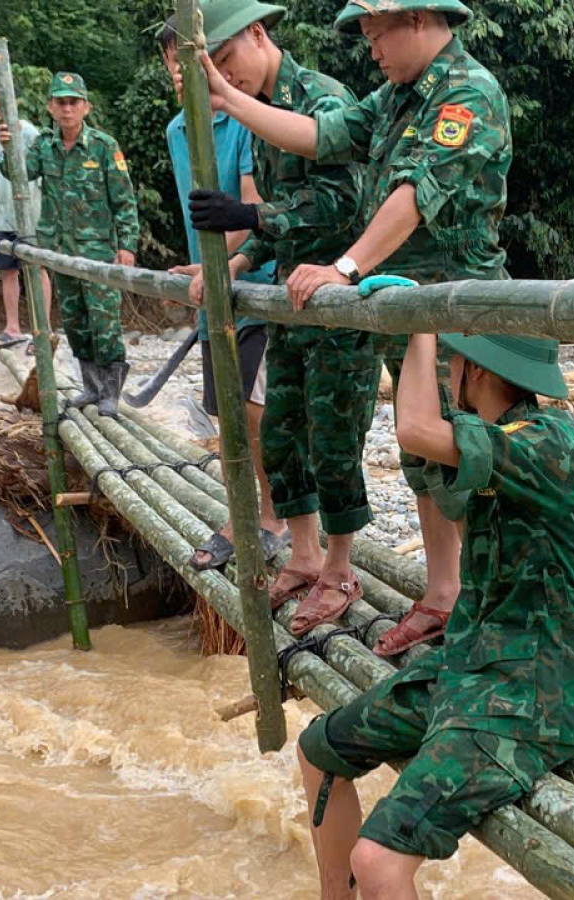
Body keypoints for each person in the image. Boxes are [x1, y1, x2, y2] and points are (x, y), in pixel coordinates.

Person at [198, 0, 511, 655]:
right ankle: (444, 595)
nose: (371, 50)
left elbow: (416, 196)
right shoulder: (394, 98)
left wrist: (345, 264)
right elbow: (320, 136)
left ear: (419, 21)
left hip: (463, 313)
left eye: (377, 35)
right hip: (408, 307)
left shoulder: (465, 94)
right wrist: (227, 97)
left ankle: (489, 609)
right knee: (424, 455)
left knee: (472, 457)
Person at [296, 331, 574, 899]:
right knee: (319, 750)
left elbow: (415, 428)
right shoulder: (500, 442)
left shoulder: (551, 445)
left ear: (481, 372)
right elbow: (424, 446)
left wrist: (418, 329)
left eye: (456, 361)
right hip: (470, 669)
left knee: (378, 859)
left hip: (533, 697)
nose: (449, 372)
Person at [180, 0, 375, 632]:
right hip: (292, 301)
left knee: (335, 435)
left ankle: (341, 569)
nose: (227, 77)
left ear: (259, 35)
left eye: (228, 59)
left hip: (339, 300)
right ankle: (303, 552)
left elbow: (343, 204)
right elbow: (281, 218)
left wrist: (253, 218)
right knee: (286, 429)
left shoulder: (319, 98)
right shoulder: (261, 118)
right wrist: (236, 262)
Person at [157, 14, 289, 569]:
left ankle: (272, 517)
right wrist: (200, 268)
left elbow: (249, 209)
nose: (185, 77)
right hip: (215, 288)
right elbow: (200, 213)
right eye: (173, 68)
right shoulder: (176, 131)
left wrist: (222, 266)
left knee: (255, 407)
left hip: (258, 282)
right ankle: (244, 510)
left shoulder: (247, 118)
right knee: (222, 408)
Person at [10, 72, 139, 417]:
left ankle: (111, 391)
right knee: (76, 322)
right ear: (51, 107)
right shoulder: (43, 146)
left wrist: (127, 245)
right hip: (60, 252)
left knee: (104, 321)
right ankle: (91, 388)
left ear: (86, 107)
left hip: (97, 251)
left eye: (74, 102)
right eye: (61, 102)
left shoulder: (103, 146)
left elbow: (124, 200)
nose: (67, 109)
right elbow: (19, 174)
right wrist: (10, 146)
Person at [0, 85, 51, 344]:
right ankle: (12, 327)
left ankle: (42, 327)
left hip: (32, 213)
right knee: (7, 270)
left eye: (2, 99)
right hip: (4, 213)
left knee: (37, 267)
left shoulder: (30, 132)